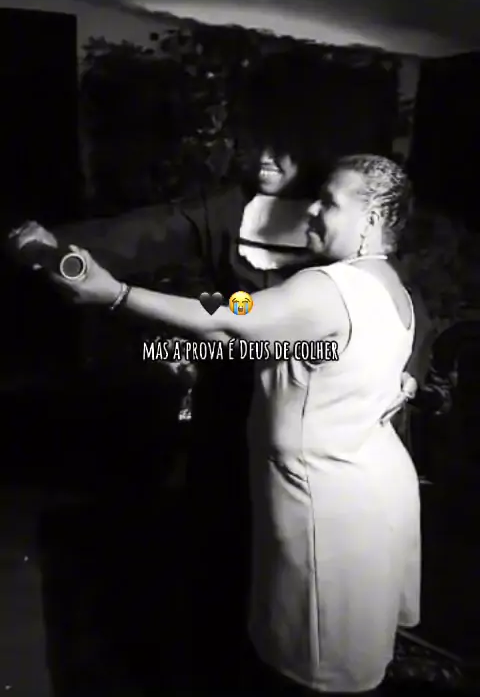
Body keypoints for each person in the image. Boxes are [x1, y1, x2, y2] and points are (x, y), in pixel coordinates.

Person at [10, 154, 421, 695]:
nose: (311, 211)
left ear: (370, 219)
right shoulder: (387, 285)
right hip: (374, 486)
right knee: (342, 654)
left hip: (329, 504)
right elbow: (292, 349)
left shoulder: (327, 287)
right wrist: (173, 349)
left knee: (317, 667)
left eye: (329, 202)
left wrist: (116, 295)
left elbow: (226, 320)